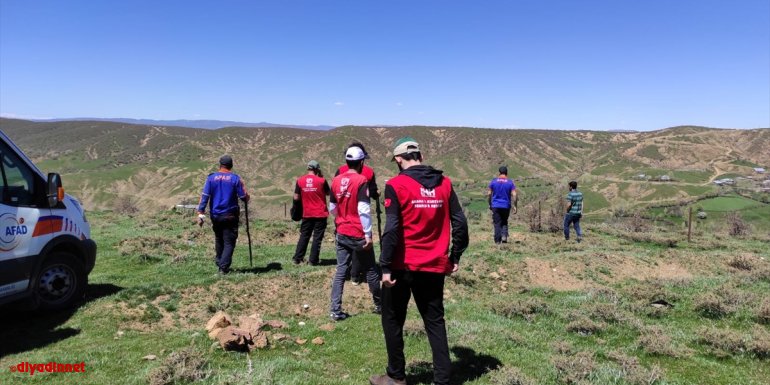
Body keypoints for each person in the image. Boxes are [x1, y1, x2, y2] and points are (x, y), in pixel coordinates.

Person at [370, 137, 469, 385]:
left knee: (392, 319)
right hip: (435, 264)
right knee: (435, 321)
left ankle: (396, 376)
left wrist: (384, 266)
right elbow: (460, 222)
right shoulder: (444, 183)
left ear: (399, 159)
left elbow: (391, 229)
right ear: (421, 157)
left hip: (401, 265)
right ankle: (443, 380)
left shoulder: (396, 185)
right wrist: (454, 256)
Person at [328, 146, 382, 321]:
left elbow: (332, 208)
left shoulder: (336, 180)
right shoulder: (361, 180)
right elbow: (363, 209)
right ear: (361, 162)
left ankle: (335, 310)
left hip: (341, 231)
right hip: (358, 232)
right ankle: (380, 305)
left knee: (341, 270)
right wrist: (368, 234)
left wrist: (341, 218)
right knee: (371, 270)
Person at [335, 142, 381, 284]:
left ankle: (349, 273)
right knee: (360, 246)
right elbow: (372, 191)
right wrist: (376, 194)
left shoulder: (340, 170)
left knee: (345, 246)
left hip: (342, 215)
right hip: (360, 217)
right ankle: (356, 274)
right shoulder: (369, 172)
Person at [197, 155, 250, 275]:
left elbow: (205, 196)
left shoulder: (211, 178)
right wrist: (247, 195)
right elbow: (243, 197)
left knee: (219, 239)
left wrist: (200, 212)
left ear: (220, 165)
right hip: (230, 215)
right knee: (229, 241)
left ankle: (219, 261)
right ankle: (223, 267)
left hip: (215, 215)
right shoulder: (235, 179)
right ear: (231, 165)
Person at [292, 160, 330, 266]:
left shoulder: (300, 180)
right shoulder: (322, 181)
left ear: (308, 168)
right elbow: (328, 193)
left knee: (304, 235)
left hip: (307, 213)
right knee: (317, 238)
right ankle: (313, 261)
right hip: (320, 213)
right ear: (317, 169)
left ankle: (297, 258)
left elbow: (296, 197)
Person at [487, 166, 517, 244]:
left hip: (495, 205)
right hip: (506, 206)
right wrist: (515, 205)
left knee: (497, 223)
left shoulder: (493, 182)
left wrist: (490, 203)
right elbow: (514, 194)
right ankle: (504, 236)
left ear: (499, 173)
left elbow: (489, 193)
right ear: (506, 173)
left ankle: (497, 241)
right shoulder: (510, 182)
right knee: (504, 221)